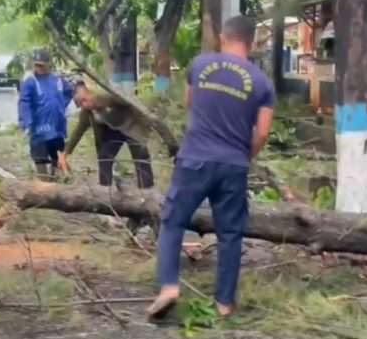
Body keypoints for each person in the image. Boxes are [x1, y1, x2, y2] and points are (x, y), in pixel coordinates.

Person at [148, 16, 275, 320]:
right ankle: (224, 305)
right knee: (230, 233)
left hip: (195, 158)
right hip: (234, 164)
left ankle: (169, 287)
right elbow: (262, 133)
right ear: (251, 42)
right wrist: (245, 154)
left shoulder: (200, 65)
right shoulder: (262, 83)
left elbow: (189, 102)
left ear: (222, 37)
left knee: (173, 221)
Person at [61, 81, 154, 189]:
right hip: (111, 132)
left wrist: (147, 122)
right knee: (104, 157)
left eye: (85, 100)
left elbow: (133, 106)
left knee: (140, 154)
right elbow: (78, 131)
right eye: (81, 104)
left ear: (91, 93)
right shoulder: (87, 112)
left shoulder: (109, 96)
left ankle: (146, 188)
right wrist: (65, 153)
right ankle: (105, 189)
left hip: (129, 125)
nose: (85, 105)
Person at [18, 48, 73, 181]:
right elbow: (24, 102)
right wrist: (26, 121)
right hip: (39, 128)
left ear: (49, 64)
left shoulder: (58, 80)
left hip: (57, 127)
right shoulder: (30, 81)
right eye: (36, 65)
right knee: (40, 157)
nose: (39, 69)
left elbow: (69, 91)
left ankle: (58, 178)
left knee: (58, 155)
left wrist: (62, 105)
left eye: (42, 65)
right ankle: (43, 182)